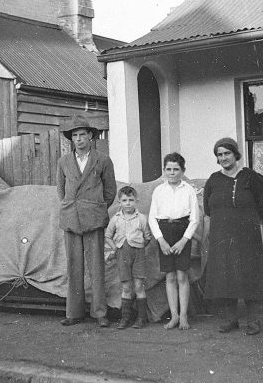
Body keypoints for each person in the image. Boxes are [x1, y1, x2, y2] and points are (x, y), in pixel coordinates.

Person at [203, 138, 263, 336]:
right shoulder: (213, 180)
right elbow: (208, 208)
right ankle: (230, 319)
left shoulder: (252, 178)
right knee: (225, 275)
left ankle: (253, 320)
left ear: (236, 154)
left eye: (227, 153)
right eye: (219, 154)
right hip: (221, 235)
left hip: (246, 235)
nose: (223, 158)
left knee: (249, 274)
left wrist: (249, 221)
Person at [57, 115, 117, 327]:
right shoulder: (63, 161)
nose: (79, 139)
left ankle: (100, 312)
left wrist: (96, 207)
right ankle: (74, 313)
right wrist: (72, 207)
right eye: (75, 135)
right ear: (71, 139)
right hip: (71, 218)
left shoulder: (102, 160)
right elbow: (61, 191)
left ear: (91, 136)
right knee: (73, 266)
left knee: (96, 266)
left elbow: (110, 191)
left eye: (83, 134)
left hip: (94, 218)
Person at [148, 153, 200, 330]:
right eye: (168, 169)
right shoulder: (159, 191)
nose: (172, 173)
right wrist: (160, 240)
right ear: (164, 171)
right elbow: (152, 219)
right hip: (165, 233)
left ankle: (184, 316)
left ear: (183, 171)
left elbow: (194, 219)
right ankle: (174, 316)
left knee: (182, 275)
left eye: (176, 169)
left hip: (182, 232)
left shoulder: (189, 190)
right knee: (169, 276)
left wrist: (184, 241)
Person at [105, 186, 153, 329]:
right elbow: (108, 236)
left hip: (138, 255)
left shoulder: (142, 218)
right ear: (119, 202)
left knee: (138, 286)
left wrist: (139, 246)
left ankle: (141, 318)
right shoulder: (115, 219)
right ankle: (125, 318)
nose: (128, 203)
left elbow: (148, 237)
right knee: (126, 287)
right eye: (124, 200)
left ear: (136, 201)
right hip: (122, 255)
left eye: (131, 200)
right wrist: (116, 248)